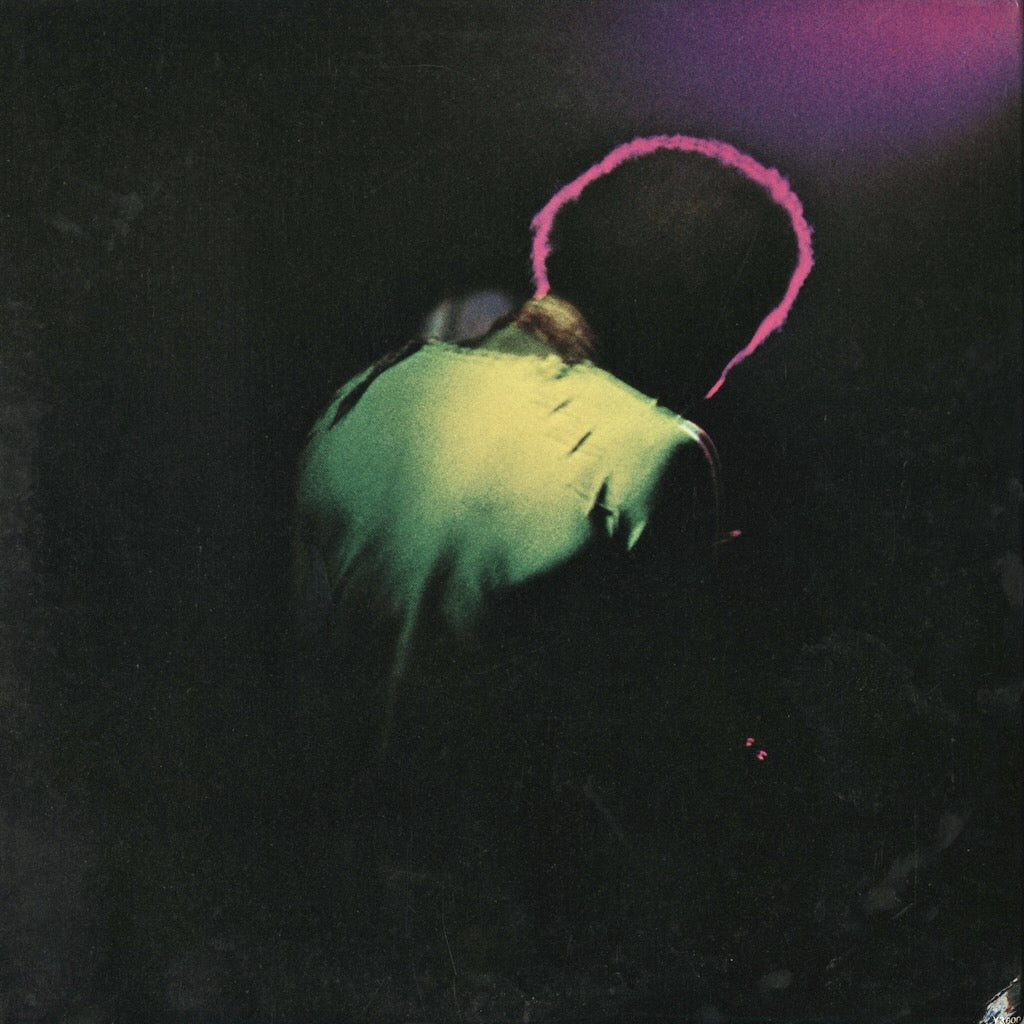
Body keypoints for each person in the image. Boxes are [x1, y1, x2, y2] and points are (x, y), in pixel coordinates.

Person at [291, 135, 813, 941]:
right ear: (695, 307)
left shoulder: (363, 394)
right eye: (738, 334)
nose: (719, 376)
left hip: (325, 904)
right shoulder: (656, 452)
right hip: (504, 925)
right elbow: (662, 783)